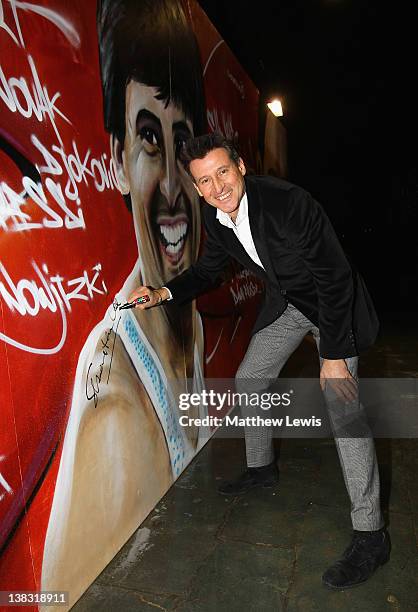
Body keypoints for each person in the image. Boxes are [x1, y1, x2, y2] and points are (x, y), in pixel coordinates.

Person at [129, 131, 391, 590]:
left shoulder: (289, 204)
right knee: (250, 377)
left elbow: (334, 278)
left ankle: (371, 535)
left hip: (333, 308)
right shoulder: (217, 219)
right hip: (289, 305)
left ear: (241, 167)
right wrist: (163, 292)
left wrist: (331, 357)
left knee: (344, 410)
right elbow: (210, 271)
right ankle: (261, 467)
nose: (217, 189)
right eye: (205, 181)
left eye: (223, 173)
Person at [41, 0, 208, 602]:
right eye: (148, 141)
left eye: (182, 143)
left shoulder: (193, 328)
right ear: (117, 161)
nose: (170, 186)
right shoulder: (113, 407)